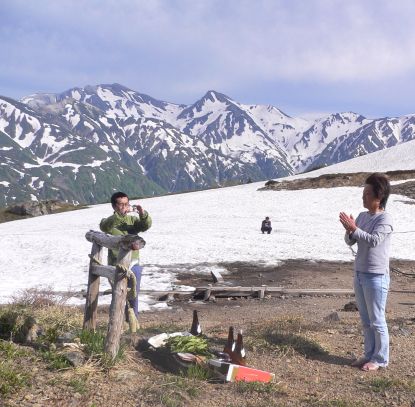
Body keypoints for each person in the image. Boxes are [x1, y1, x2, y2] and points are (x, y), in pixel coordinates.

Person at [339, 173, 393, 372]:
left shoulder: (385, 218)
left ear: (379, 197)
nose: (364, 198)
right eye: (363, 193)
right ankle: (369, 353)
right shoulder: (362, 216)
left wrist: (354, 229)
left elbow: (373, 241)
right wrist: (349, 230)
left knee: (377, 319)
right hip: (360, 273)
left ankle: (380, 358)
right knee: (365, 319)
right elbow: (351, 241)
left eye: (367, 194)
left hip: (376, 276)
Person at [100, 191, 152, 323]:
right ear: (114, 206)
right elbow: (105, 227)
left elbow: (145, 226)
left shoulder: (132, 220)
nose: (124, 207)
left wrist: (142, 214)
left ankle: (132, 322)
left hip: (134, 263)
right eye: (121, 204)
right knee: (118, 294)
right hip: (116, 264)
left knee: (133, 294)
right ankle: (116, 322)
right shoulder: (109, 222)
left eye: (126, 204)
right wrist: (119, 216)